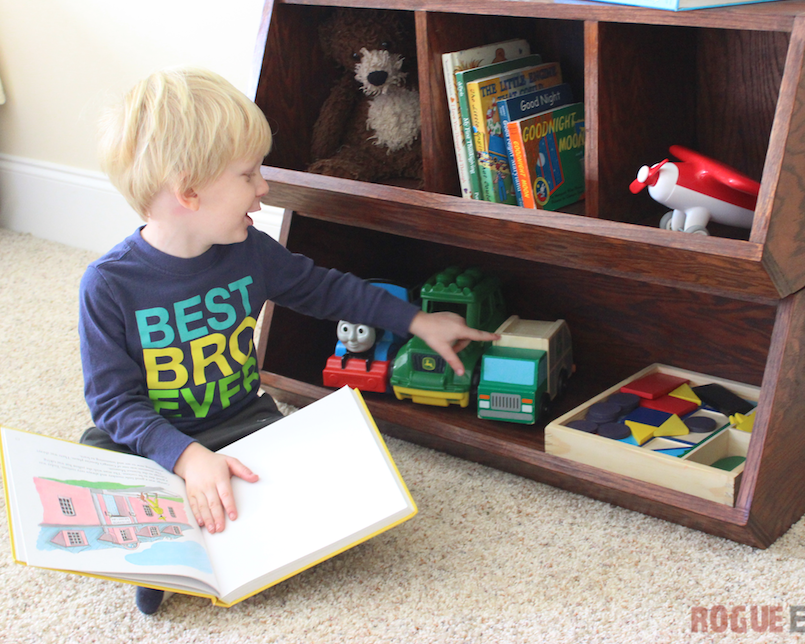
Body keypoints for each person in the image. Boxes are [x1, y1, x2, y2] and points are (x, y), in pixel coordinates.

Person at [78, 66, 497, 615]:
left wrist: (416, 321)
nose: (264, 188)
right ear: (189, 192)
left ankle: (213, 528)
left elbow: (326, 290)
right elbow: (112, 404)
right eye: (248, 175)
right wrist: (184, 456)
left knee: (321, 494)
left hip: (240, 421)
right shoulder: (109, 285)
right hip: (153, 439)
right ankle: (167, 548)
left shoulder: (250, 252)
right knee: (98, 464)